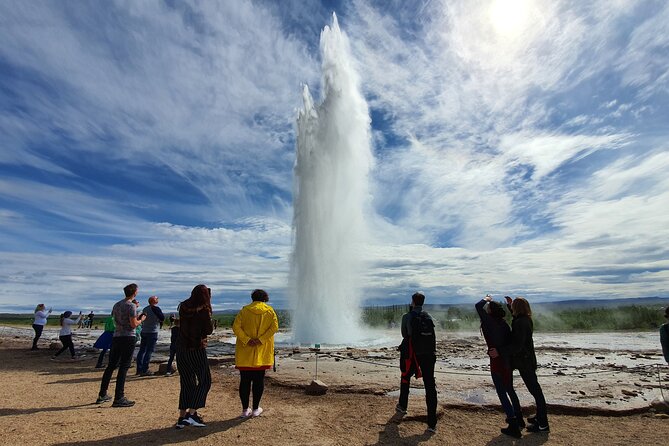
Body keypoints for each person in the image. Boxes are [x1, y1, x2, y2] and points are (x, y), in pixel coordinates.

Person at [490, 296, 549, 433]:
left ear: (518, 308)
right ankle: (540, 417)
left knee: (536, 391)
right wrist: (510, 306)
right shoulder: (524, 319)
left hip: (525, 362)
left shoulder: (521, 323)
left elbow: (517, 345)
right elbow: (517, 321)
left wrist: (499, 351)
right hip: (526, 361)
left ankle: (543, 423)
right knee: (536, 391)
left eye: (514, 306)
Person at [476, 295, 523, 438]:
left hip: (497, 361)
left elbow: (478, 306)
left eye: (488, 307)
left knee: (502, 392)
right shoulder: (503, 323)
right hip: (507, 360)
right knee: (510, 390)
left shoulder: (489, 322)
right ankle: (519, 419)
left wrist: (486, 298)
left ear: (490, 311)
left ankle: (513, 423)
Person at [96, 283, 147, 407]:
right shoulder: (131, 306)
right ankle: (119, 397)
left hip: (117, 336)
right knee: (124, 366)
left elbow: (114, 318)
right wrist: (142, 319)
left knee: (111, 366)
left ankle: (102, 394)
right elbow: (133, 324)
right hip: (128, 336)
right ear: (134, 292)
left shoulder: (117, 304)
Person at [232, 289, 279, 419]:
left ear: (252, 298)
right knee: (259, 380)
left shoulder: (244, 311)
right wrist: (261, 339)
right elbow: (274, 327)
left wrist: (247, 340)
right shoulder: (269, 311)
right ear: (265, 298)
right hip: (262, 352)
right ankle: (256, 408)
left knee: (244, 381)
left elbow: (236, 327)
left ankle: (245, 410)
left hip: (245, 352)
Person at [396, 292, 438, 433]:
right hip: (428, 354)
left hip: (412, 353)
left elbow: (404, 334)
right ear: (423, 302)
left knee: (405, 376)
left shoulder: (407, 316)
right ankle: (432, 423)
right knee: (430, 385)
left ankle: (403, 406)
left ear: (412, 302)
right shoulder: (428, 316)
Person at [175, 284, 214, 429]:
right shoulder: (203, 309)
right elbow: (208, 330)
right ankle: (192, 414)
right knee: (205, 380)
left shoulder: (184, 306)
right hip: (196, 347)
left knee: (187, 382)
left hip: (181, 348)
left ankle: (182, 417)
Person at [136, 295, 165, 376]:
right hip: (152, 331)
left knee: (142, 350)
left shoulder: (145, 308)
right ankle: (144, 370)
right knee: (149, 351)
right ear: (154, 301)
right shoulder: (156, 308)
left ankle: (139, 369)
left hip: (144, 330)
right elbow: (162, 318)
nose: (158, 299)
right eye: (157, 298)